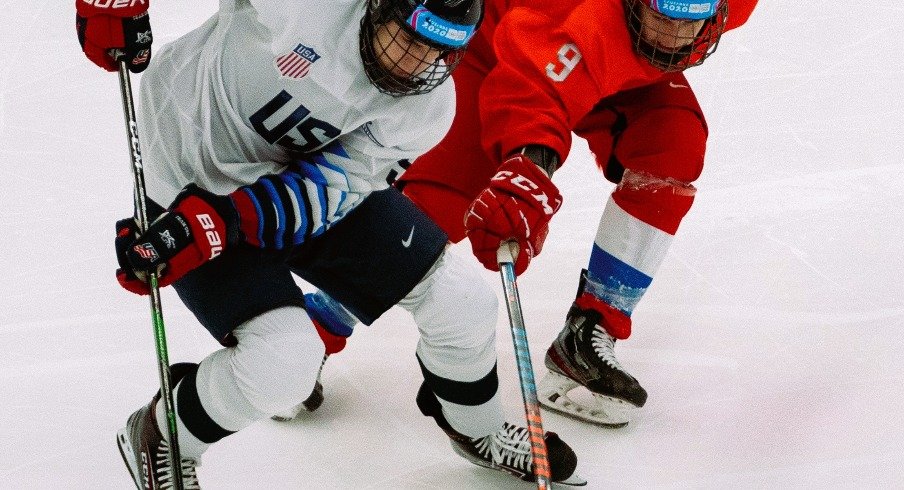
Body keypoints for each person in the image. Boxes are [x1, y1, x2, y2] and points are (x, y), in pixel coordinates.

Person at [75, 0, 585, 487]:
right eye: (409, 37)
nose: (419, 63)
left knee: (463, 301)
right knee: (285, 364)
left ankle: (479, 430)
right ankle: (164, 435)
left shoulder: (427, 108)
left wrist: (223, 224)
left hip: (295, 179)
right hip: (187, 173)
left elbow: (325, 194)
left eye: (440, 51)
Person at [286, 0, 759, 427]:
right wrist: (527, 173)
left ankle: (588, 333)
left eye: (694, 12)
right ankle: (309, 336)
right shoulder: (585, 17)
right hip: (497, 48)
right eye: (664, 10)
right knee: (439, 206)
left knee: (672, 143)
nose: (674, 35)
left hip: (610, 64)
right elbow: (533, 90)